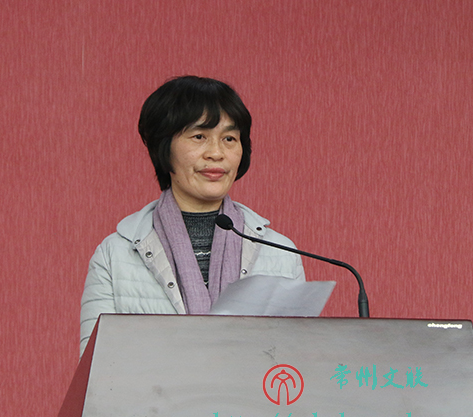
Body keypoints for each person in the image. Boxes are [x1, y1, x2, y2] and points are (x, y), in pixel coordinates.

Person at [79, 76, 304, 355]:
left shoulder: (281, 253)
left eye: (229, 139)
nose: (216, 153)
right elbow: (96, 369)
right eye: (199, 137)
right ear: (163, 146)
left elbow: (296, 362)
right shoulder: (114, 256)